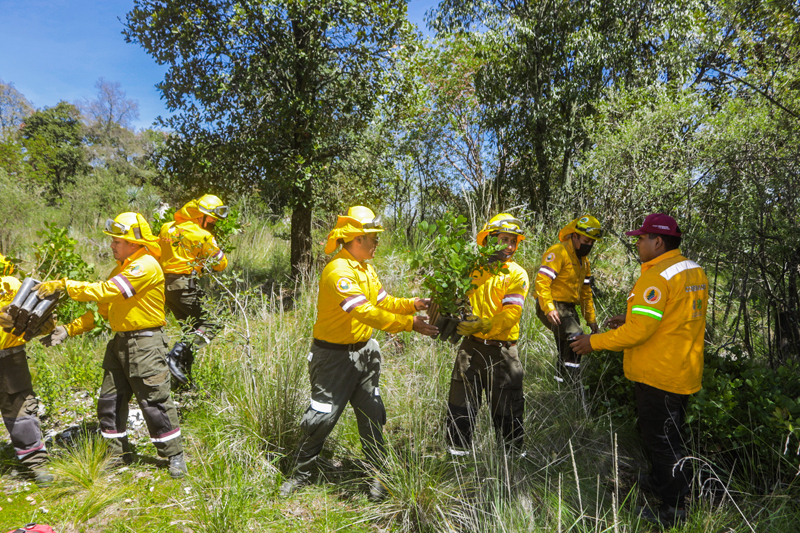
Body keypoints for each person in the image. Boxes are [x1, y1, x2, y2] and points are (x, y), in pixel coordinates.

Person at [280, 206, 438, 500]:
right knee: (322, 417)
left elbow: (382, 300)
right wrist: (409, 325)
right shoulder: (338, 271)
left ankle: (377, 475)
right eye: (373, 239)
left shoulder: (366, 267)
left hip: (365, 353)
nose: (377, 244)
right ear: (356, 239)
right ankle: (300, 474)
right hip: (333, 358)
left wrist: (413, 305)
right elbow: (363, 311)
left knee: (372, 414)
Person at [570, 213, 708, 527]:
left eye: (641, 238)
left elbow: (638, 334)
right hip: (683, 371)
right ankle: (667, 485)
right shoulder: (693, 270)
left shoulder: (657, 276)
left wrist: (594, 342)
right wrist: (630, 316)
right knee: (673, 438)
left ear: (658, 241)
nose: (637, 243)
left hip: (658, 375)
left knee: (661, 442)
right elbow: (672, 316)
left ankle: (673, 512)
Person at [37, 213, 187, 479]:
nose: (111, 246)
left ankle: (174, 456)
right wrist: (67, 330)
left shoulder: (146, 265)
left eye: (117, 241)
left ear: (133, 242)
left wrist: (65, 286)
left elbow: (109, 291)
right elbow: (101, 313)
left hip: (145, 343)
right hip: (119, 344)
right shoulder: (120, 270)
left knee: (154, 401)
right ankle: (118, 455)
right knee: (110, 402)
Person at [447, 213, 529, 453]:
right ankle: (457, 454)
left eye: (514, 241)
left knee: (507, 410)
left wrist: (483, 325)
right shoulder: (472, 268)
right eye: (505, 239)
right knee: (460, 404)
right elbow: (456, 300)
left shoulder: (516, 274)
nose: (510, 247)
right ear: (489, 239)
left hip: (502, 351)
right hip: (470, 347)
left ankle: (511, 459)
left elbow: (511, 315)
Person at [158, 194, 229, 385]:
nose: (213, 222)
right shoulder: (202, 235)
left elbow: (159, 252)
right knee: (213, 323)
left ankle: (182, 381)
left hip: (166, 286)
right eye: (212, 218)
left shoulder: (168, 227)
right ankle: (174, 356)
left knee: (191, 330)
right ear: (200, 215)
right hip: (184, 285)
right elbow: (221, 264)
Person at [0, 254, 54, 485]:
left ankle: (35, 463)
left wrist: (43, 323)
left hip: (11, 358)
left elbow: (31, 320)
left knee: (21, 408)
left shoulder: (10, 285)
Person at [534, 216, 602, 383]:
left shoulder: (584, 263)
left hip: (569, 308)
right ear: (574, 236)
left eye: (593, 242)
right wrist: (549, 308)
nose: (590, 245)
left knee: (565, 346)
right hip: (551, 303)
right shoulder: (558, 252)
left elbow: (586, 293)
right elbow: (542, 281)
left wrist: (591, 320)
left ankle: (560, 383)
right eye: (587, 240)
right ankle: (573, 382)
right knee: (576, 338)